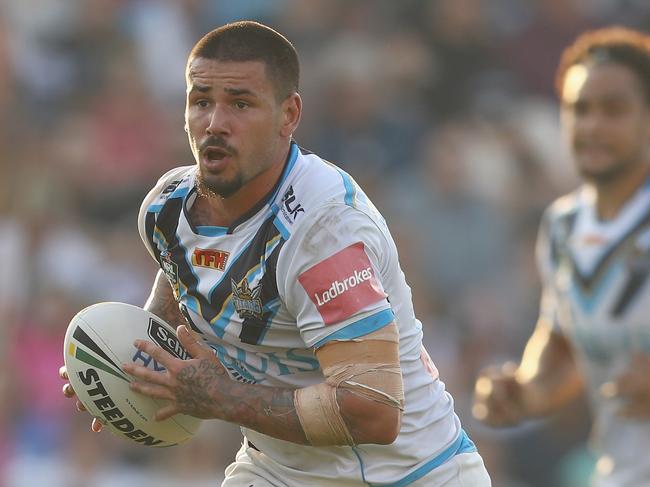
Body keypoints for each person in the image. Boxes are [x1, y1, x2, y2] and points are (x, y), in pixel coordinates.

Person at [59, 21, 491, 486]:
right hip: (276, 471)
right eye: (201, 101)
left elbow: (373, 412)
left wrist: (223, 398)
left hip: (409, 475)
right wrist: (118, 372)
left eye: (240, 104)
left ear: (289, 115)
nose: (215, 124)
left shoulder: (322, 230)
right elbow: (179, 312)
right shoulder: (166, 210)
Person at [472, 26, 650, 487]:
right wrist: (524, 393)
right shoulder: (562, 226)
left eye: (614, 109)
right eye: (579, 109)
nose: (592, 125)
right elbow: (564, 345)